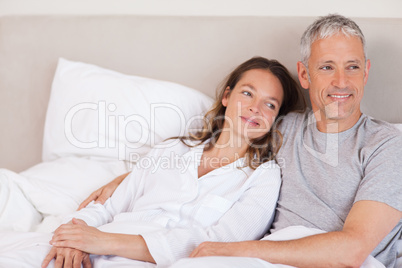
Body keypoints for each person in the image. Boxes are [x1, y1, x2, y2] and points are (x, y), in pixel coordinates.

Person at [85, 14, 402, 268]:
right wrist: (127, 179)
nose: (341, 82)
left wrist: (225, 250)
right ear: (304, 75)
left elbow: (352, 250)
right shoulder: (284, 129)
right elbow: (222, 148)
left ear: (366, 72)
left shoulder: (386, 145)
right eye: (327, 67)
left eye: (352, 67)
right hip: (267, 256)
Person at [0, 56, 305, 268]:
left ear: (276, 117)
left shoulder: (263, 177)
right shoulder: (171, 151)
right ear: (227, 96)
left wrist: (104, 242)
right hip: (89, 248)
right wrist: (73, 238)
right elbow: (107, 206)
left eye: (269, 104)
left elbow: (214, 245)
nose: (255, 109)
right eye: (247, 93)